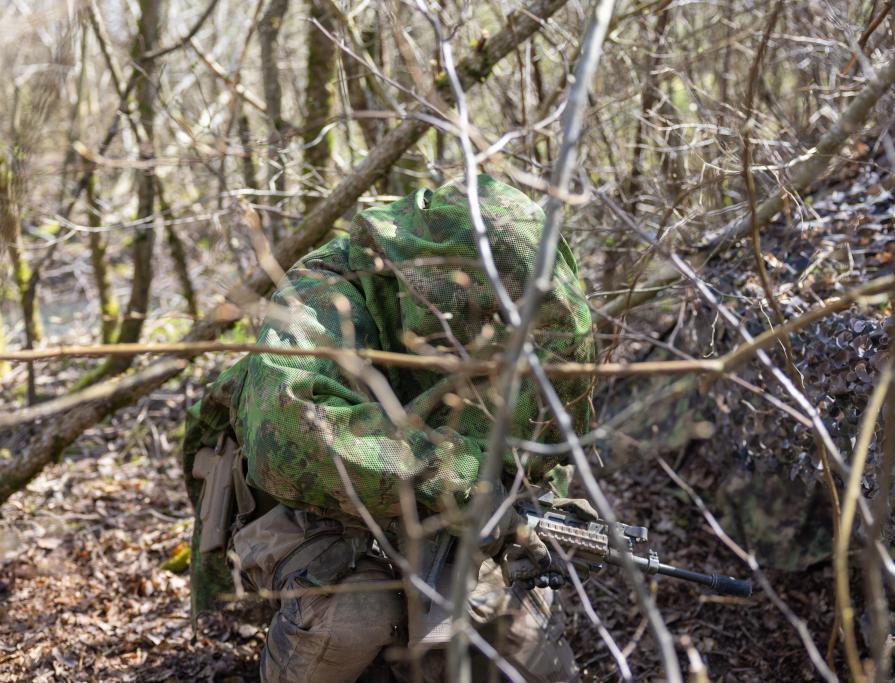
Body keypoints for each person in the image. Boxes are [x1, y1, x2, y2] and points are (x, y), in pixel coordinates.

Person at [182, 175, 596, 682]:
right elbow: (295, 437)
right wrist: (464, 482)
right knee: (354, 617)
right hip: (306, 502)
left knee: (516, 644)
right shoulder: (324, 295)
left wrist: (528, 514)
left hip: (440, 506)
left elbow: (537, 439)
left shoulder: (536, 316)